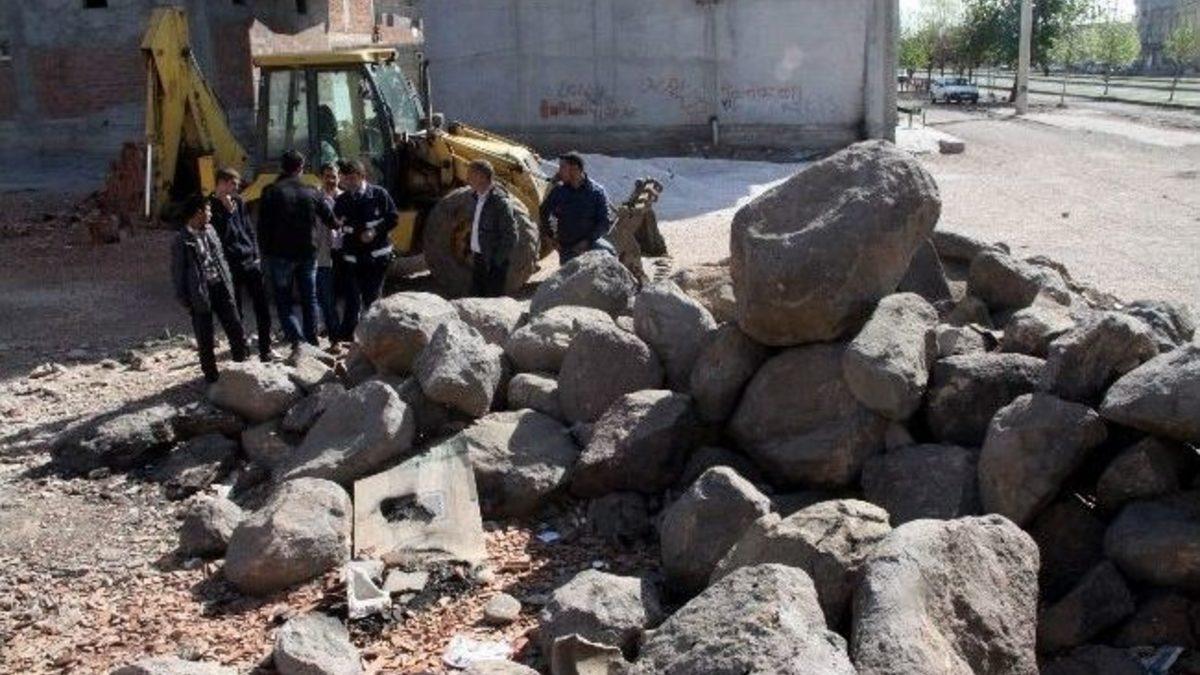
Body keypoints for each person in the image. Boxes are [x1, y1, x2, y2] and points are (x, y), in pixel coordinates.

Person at [257, 150, 335, 348]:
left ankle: (296, 340)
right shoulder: (312, 191)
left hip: (280, 255)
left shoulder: (270, 191)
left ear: (281, 167)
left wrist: (264, 253)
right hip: (308, 254)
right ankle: (312, 341)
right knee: (310, 298)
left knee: (284, 300)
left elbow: (262, 227)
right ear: (301, 167)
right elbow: (331, 220)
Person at [171, 194, 248, 383]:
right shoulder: (181, 240)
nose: (211, 214)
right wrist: (185, 300)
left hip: (220, 286)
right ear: (199, 212)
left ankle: (243, 368)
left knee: (235, 327)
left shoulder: (211, 230)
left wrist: (228, 282)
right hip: (200, 293)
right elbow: (178, 273)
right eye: (208, 210)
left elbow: (220, 258)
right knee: (205, 338)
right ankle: (211, 378)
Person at [207, 167, 274, 362]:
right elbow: (219, 236)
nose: (236, 188)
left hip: (249, 261)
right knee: (235, 310)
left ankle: (265, 348)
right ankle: (241, 349)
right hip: (229, 264)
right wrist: (228, 213)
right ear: (222, 183)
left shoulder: (239, 202)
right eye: (233, 184)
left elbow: (248, 229)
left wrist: (255, 253)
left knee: (262, 306)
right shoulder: (210, 206)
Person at [335, 160, 398, 337]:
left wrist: (374, 231)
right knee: (352, 298)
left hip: (377, 258)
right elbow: (337, 222)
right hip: (353, 259)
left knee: (372, 299)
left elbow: (393, 218)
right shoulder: (343, 200)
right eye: (346, 179)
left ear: (362, 176)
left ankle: (374, 335)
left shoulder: (379, 195)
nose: (349, 183)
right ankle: (348, 336)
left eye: (352, 178)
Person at [539, 151, 615, 264]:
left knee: (610, 254)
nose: (559, 172)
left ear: (575, 169)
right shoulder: (559, 191)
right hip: (568, 248)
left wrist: (587, 241)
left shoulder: (596, 192)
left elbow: (604, 222)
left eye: (562, 167)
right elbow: (543, 212)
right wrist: (551, 237)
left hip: (591, 244)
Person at [465, 159, 517, 297]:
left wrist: (497, 263)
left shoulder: (500, 202)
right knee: (476, 299)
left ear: (482, 177)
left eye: (471, 175)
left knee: (491, 301)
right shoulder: (476, 198)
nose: (467, 178)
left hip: (492, 263)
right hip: (479, 259)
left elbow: (511, 235)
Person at [315, 161, 345, 342]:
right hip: (324, 254)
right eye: (327, 177)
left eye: (334, 177)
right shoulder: (315, 199)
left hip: (344, 254)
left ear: (339, 177)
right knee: (326, 297)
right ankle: (334, 338)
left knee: (347, 296)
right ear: (321, 177)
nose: (331, 180)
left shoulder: (346, 198)